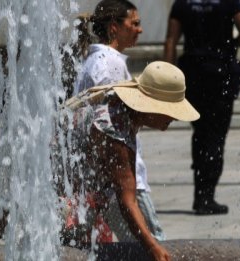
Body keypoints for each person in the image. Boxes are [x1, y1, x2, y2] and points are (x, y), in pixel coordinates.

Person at [0, 61, 200, 261]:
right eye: (169, 111)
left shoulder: (121, 108)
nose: (173, 118)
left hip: (41, 168)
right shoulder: (115, 130)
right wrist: (153, 246)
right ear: (150, 105)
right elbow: (127, 200)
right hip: (36, 173)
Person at [73, 0, 165, 241]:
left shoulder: (97, 60)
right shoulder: (109, 64)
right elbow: (109, 127)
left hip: (107, 179)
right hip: (121, 178)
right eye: (134, 23)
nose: (140, 29)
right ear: (114, 27)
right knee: (152, 243)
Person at [163, 0, 240, 215]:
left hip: (192, 73)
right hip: (220, 73)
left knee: (200, 133)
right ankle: (206, 196)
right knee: (216, 136)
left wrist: (166, 77)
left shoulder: (182, 4)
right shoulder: (229, 2)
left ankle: (200, 194)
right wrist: (228, 46)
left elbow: (170, 41)